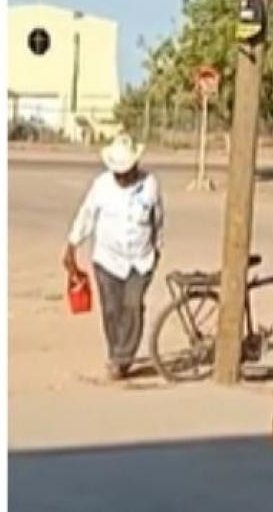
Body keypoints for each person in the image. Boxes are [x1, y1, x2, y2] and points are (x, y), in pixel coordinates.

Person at [63, 134, 164, 380]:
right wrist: (72, 246)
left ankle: (123, 358)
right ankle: (115, 352)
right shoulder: (102, 186)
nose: (122, 176)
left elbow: (158, 219)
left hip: (140, 259)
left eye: (126, 171)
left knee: (132, 306)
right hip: (108, 260)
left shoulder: (150, 184)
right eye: (117, 172)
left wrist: (157, 249)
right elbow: (86, 215)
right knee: (111, 309)